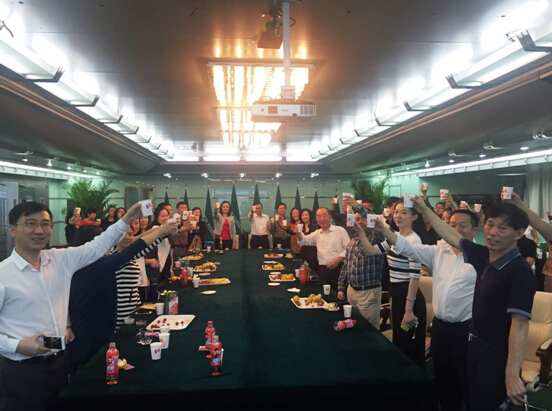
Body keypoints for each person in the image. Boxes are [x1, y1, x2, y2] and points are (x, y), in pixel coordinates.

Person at [0, 201, 144, 411]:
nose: (39, 230)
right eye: (31, 224)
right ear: (13, 229)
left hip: (60, 363)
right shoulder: (3, 274)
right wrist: (17, 346)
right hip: (22, 371)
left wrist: (127, 218)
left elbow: (98, 246)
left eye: (45, 224)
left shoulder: (60, 260)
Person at [412, 194, 535, 410]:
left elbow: (520, 324)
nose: (493, 232)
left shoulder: (519, 270)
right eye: (490, 224)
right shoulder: (484, 256)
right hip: (473, 347)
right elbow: (451, 235)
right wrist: (423, 208)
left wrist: (512, 373)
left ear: (518, 233)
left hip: (496, 355)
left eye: (502, 228)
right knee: (468, 399)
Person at [374, 209, 479, 411]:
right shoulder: (439, 252)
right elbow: (407, 248)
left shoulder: (480, 257)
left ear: (475, 230)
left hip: (466, 330)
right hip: (440, 329)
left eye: (462, 225)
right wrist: (385, 230)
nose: (455, 230)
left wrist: (422, 206)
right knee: (444, 381)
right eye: (452, 225)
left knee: (468, 382)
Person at [67, 221, 176, 375]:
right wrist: (160, 232)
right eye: (103, 240)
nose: (106, 243)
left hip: (85, 334)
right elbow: (133, 249)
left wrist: (68, 326)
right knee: (90, 374)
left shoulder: (75, 266)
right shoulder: (100, 265)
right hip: (91, 337)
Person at [347, 197, 427, 370]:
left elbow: (414, 277)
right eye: (396, 212)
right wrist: (360, 232)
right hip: (397, 294)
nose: (398, 216)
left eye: (404, 212)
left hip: (409, 296)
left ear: (414, 217)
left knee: (410, 347)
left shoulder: (414, 240)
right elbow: (372, 251)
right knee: (399, 342)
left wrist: (409, 309)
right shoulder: (395, 237)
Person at [337, 212, 385, 330]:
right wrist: (341, 287)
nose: (361, 222)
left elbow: (379, 231)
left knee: (369, 329)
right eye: (357, 219)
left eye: (365, 219)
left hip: (368, 292)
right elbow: (347, 265)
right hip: (351, 291)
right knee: (353, 327)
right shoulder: (353, 239)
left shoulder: (376, 237)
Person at [297, 207, 350, 291]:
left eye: (324, 216)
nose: (321, 219)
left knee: (338, 295)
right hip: (323, 271)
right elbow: (303, 241)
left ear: (330, 216)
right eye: (318, 216)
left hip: (339, 270)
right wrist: (298, 233)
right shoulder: (317, 233)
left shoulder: (340, 230)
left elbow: (349, 248)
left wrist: (338, 259)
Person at [145, 205, 174, 289]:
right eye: (162, 216)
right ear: (157, 217)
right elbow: (164, 233)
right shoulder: (156, 228)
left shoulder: (165, 228)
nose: (165, 218)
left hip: (165, 267)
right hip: (157, 267)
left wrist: (170, 268)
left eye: (167, 216)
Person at [299, 208, 319, 273]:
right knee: (303, 270)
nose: (304, 217)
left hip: (313, 251)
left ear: (310, 216)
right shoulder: (300, 227)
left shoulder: (315, 226)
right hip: (303, 250)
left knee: (313, 270)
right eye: (302, 215)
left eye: (306, 215)